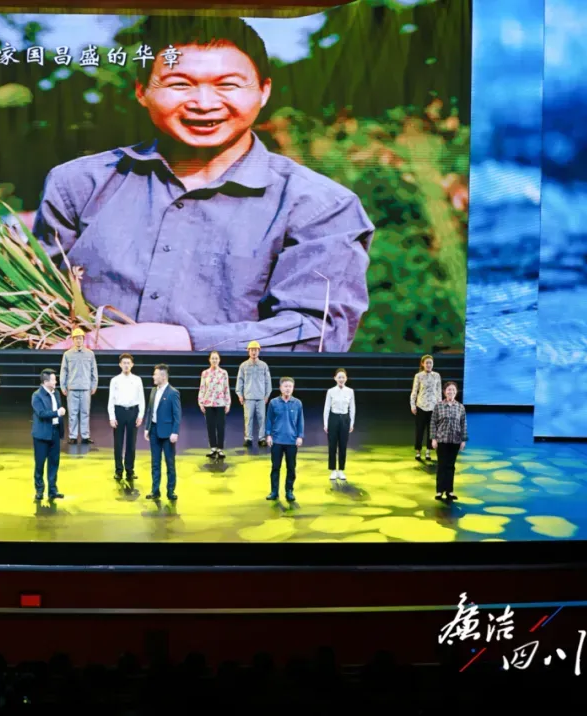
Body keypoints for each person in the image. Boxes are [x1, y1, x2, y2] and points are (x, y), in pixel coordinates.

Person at [35, 15, 374, 352]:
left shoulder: (320, 206)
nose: (204, 104)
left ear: (264, 91)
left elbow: (318, 334)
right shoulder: (77, 184)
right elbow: (34, 301)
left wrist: (176, 342)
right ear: (142, 91)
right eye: (179, 84)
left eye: (228, 85)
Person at [144, 364, 181, 501]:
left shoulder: (173, 393)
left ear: (163, 376)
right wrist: (147, 428)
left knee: (170, 463)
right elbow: (150, 410)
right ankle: (155, 491)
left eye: (156, 374)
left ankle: (171, 491)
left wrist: (175, 432)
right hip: (154, 431)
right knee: (155, 463)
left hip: (167, 433)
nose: (153, 377)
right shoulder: (153, 391)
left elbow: (177, 414)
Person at [108, 353, 146, 484]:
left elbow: (141, 398)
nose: (126, 365)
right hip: (119, 411)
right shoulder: (115, 380)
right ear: (120, 364)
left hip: (133, 412)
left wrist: (140, 415)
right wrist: (112, 416)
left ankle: (130, 470)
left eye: (128, 363)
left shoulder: (137, 380)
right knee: (118, 443)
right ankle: (118, 470)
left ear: (132, 365)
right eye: (124, 363)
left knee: (131, 443)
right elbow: (111, 399)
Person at [266, 377, 304, 501]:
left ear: (293, 388)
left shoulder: (297, 403)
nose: (288, 389)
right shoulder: (273, 403)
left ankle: (289, 491)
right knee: (275, 467)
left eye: (290, 386)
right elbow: (269, 420)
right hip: (277, 440)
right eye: (285, 386)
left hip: (292, 441)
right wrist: (268, 435)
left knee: (291, 468)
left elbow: (300, 421)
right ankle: (274, 492)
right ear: (280, 388)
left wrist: (300, 436)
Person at [32, 369, 67, 500]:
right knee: (40, 463)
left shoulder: (56, 393)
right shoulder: (37, 396)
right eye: (53, 380)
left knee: (54, 462)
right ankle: (39, 490)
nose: (55, 382)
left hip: (55, 432)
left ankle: (52, 490)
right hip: (42, 435)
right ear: (45, 382)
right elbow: (41, 414)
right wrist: (57, 413)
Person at [60, 328, 98, 444]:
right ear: (72, 340)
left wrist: (94, 385)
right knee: (73, 413)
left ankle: (85, 436)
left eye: (80, 338)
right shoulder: (67, 354)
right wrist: (63, 386)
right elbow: (64, 371)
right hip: (72, 388)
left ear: (83, 339)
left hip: (86, 388)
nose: (78, 341)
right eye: (76, 338)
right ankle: (73, 436)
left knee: (85, 413)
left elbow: (94, 371)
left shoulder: (90, 354)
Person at [431, 382, 467, 502]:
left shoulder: (460, 407)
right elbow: (433, 423)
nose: (451, 392)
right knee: (442, 466)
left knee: (450, 466)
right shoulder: (438, 406)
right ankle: (439, 491)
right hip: (441, 440)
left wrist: (463, 440)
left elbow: (464, 424)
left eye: (453, 390)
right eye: (448, 390)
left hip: (455, 440)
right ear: (444, 392)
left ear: (456, 392)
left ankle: (449, 491)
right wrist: (433, 439)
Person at [235, 341, 271, 448]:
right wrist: (240, 394)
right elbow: (240, 381)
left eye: (255, 350)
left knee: (262, 418)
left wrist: (267, 395)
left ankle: (261, 438)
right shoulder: (244, 366)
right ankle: (248, 438)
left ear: (259, 351)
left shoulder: (264, 365)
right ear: (248, 351)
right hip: (248, 397)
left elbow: (268, 381)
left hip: (261, 397)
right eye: (252, 350)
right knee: (248, 418)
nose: (254, 352)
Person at [323, 368, 356, 481]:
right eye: (339, 377)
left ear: (346, 379)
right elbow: (326, 408)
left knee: (343, 445)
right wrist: (325, 423)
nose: (341, 379)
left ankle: (341, 470)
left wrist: (351, 422)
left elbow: (352, 408)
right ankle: (333, 470)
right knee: (332, 445)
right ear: (335, 378)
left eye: (343, 377)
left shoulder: (350, 391)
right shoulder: (330, 391)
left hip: (345, 419)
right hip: (333, 418)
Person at [198, 350, 231, 459]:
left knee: (220, 426)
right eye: (212, 358)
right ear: (209, 360)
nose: (214, 360)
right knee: (210, 426)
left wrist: (228, 403)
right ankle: (213, 448)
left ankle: (220, 449)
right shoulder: (205, 373)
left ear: (219, 360)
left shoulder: (224, 373)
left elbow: (226, 388)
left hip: (221, 403)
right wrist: (201, 402)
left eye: (216, 358)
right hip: (208, 403)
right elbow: (202, 388)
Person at [410, 354, 442, 461]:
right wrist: (413, 405)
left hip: (433, 407)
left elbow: (439, 392)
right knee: (419, 430)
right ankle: (418, 451)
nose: (429, 365)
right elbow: (414, 391)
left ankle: (428, 451)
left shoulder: (436, 375)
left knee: (431, 431)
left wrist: (440, 406)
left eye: (430, 363)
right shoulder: (418, 376)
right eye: (427, 363)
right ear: (423, 364)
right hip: (421, 406)